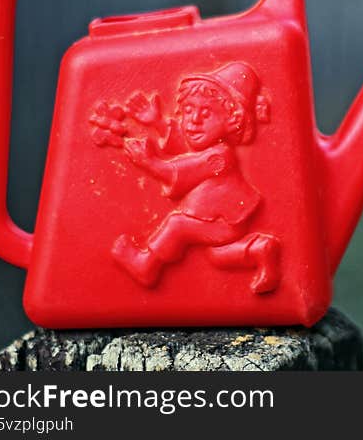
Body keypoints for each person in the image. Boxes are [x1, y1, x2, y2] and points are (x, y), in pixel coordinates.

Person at [104, 61, 279, 292]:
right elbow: (183, 145)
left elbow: (177, 172)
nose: (193, 120)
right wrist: (157, 122)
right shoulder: (209, 148)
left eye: (206, 113)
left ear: (232, 121)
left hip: (221, 221)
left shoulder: (219, 157)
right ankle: (259, 249)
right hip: (224, 221)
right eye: (188, 110)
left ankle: (146, 264)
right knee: (218, 256)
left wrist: (148, 162)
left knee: (178, 225)